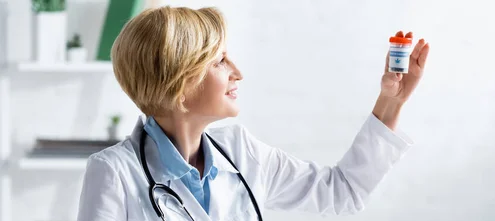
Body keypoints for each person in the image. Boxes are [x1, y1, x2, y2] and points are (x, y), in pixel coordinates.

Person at [77, 6, 430, 221]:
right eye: (219, 61)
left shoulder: (243, 154)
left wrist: (392, 102)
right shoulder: (114, 173)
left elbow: (343, 192)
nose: (237, 72)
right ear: (179, 85)